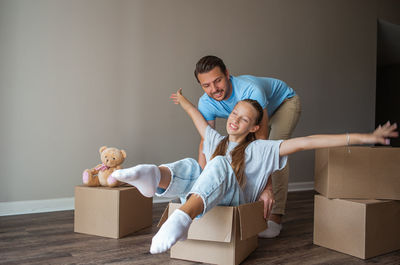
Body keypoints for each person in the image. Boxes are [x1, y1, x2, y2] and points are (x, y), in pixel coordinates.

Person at [110, 88, 397, 254]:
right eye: (234, 114)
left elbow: (308, 142)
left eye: (244, 119)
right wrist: (184, 101)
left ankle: (183, 217)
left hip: (236, 205)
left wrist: (365, 137)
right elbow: (198, 119)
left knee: (217, 163)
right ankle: (153, 176)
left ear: (254, 127)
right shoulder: (215, 140)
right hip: (208, 196)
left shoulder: (262, 150)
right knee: (190, 164)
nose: (235, 120)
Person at [194, 55, 301, 237]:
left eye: (218, 80)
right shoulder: (205, 102)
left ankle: (275, 216)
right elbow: (206, 142)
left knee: (275, 153)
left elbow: (262, 143)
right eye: (206, 85)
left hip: (284, 104)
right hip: (251, 115)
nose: (214, 89)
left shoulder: (250, 90)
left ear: (227, 74)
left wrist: (267, 188)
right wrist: (201, 184)